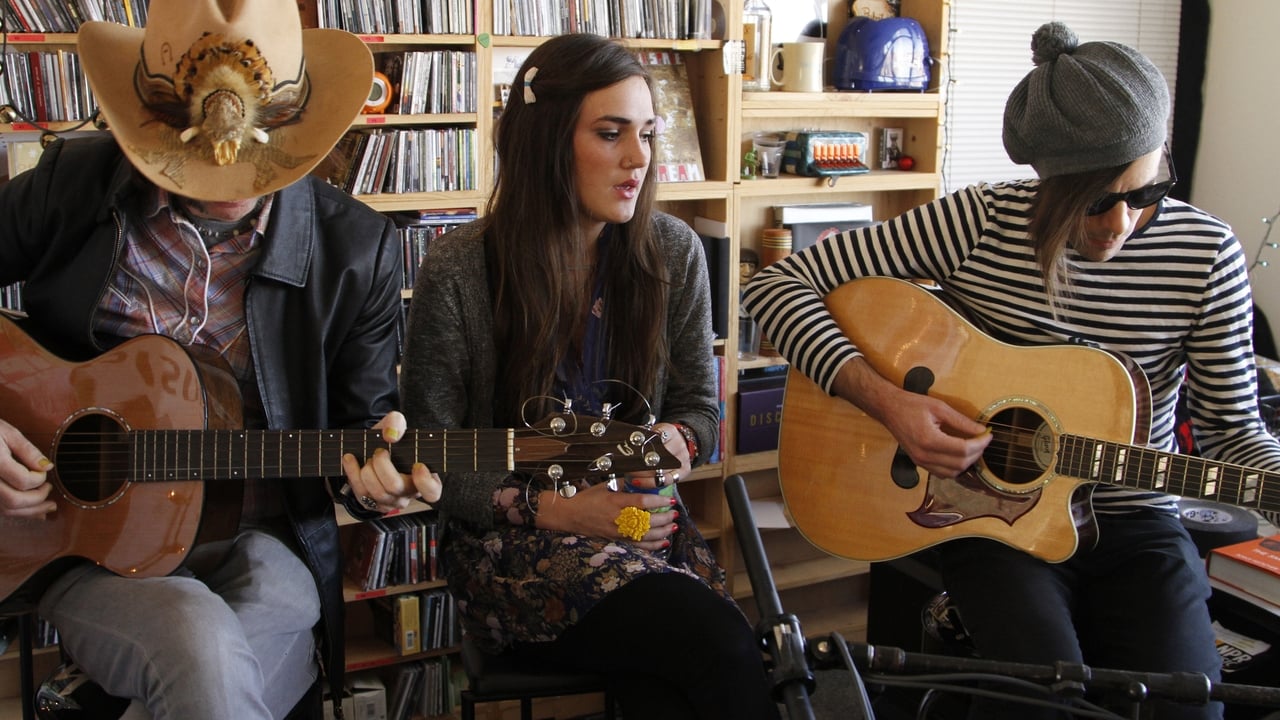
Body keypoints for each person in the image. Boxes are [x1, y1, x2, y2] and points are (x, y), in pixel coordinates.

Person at [744, 21, 1280, 720]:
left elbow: (1232, 426)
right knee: (1041, 704)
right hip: (990, 520)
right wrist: (887, 402)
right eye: (1094, 202)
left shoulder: (1207, 254)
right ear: (1046, 183)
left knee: (1193, 708)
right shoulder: (982, 222)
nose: (1120, 223)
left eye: (1142, 193)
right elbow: (774, 288)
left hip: (1137, 522)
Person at [0, 1, 438, 718]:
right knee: (196, 640)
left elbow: (365, 433)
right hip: (83, 544)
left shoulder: (357, 251)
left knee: (242, 630)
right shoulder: (71, 185)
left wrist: (377, 486)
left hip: (263, 539)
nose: (228, 178)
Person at [400, 33, 780, 720]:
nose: (638, 158)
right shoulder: (458, 269)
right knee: (716, 648)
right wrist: (558, 508)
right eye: (611, 134)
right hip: (510, 543)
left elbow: (701, 410)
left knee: (682, 677)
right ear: (547, 141)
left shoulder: (674, 253)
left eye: (647, 134)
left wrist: (665, 445)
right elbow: (431, 450)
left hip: (643, 526)